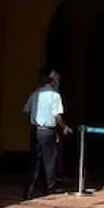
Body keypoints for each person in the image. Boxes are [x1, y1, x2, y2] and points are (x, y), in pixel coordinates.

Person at [23, 68, 69, 198]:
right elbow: (57, 116)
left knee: (34, 159)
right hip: (48, 130)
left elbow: (26, 110)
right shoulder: (55, 95)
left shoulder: (35, 93)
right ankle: (49, 187)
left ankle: (29, 189)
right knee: (49, 160)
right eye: (57, 80)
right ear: (53, 81)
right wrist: (64, 127)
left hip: (35, 129)